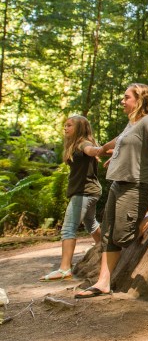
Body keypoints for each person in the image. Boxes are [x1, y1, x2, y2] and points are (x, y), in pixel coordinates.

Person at [75, 84, 148, 298]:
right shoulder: (132, 122)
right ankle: (103, 282)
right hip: (118, 182)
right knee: (107, 235)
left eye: (126, 97)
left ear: (140, 99)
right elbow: (122, 141)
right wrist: (106, 150)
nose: (122, 101)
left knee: (123, 236)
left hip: (137, 184)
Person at [40, 116, 103, 281]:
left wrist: (100, 150)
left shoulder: (83, 144)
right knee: (91, 223)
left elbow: (92, 150)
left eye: (69, 126)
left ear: (80, 129)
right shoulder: (76, 145)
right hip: (88, 191)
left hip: (84, 192)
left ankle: (64, 269)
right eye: (65, 125)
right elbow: (96, 149)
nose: (65, 128)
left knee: (68, 228)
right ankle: (103, 249)